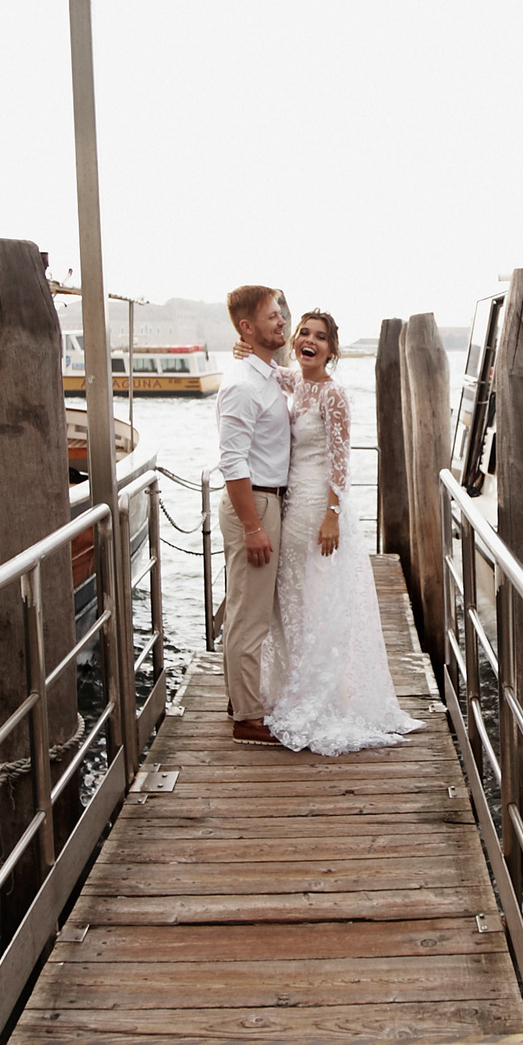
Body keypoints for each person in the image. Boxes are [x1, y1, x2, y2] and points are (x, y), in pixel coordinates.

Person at [234, 311, 425, 756]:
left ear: (332, 350)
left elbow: (342, 459)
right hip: (289, 503)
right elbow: (265, 365)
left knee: (318, 597)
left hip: (318, 505)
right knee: (293, 598)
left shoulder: (334, 395)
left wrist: (333, 515)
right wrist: (245, 348)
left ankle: (323, 693)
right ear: (294, 342)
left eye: (320, 337)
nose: (310, 341)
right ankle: (293, 681)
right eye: (303, 333)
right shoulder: (294, 383)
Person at [215, 285, 292, 745]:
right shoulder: (243, 384)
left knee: (252, 608)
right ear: (247, 327)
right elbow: (232, 461)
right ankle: (247, 718)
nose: (281, 321)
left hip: (269, 500)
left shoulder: (267, 372)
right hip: (256, 502)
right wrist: (252, 526)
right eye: (271, 316)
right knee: (249, 615)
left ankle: (240, 697)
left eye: (281, 313)